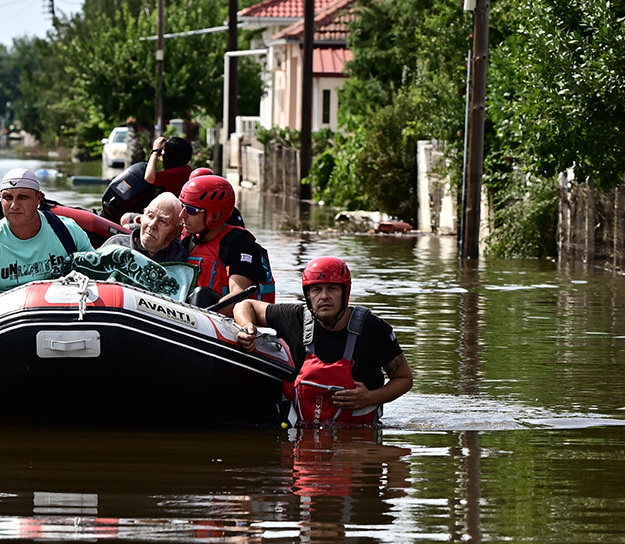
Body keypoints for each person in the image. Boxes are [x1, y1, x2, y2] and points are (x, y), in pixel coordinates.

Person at [233, 256, 413, 427]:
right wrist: (248, 327)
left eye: (332, 289)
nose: (324, 296)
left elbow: (404, 379)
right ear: (308, 295)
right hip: (303, 436)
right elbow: (245, 305)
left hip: (358, 440)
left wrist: (370, 397)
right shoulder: (295, 318)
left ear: (345, 293)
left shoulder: (374, 329)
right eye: (316, 289)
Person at [0, 168, 94, 308]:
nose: (14, 206)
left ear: (38, 199)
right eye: (8, 197)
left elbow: (96, 273)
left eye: (23, 197)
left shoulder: (67, 230)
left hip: (61, 309)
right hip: (5, 316)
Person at [179, 174, 275, 309]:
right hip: (191, 313)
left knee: (201, 295)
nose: (181, 215)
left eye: (191, 210)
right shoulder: (189, 241)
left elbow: (239, 296)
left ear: (215, 216)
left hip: (226, 321)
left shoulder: (241, 246)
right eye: (181, 206)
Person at [103, 192, 188, 263]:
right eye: (150, 216)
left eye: (163, 221)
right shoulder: (116, 245)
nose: (152, 225)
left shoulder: (179, 259)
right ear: (142, 216)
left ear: (176, 232)